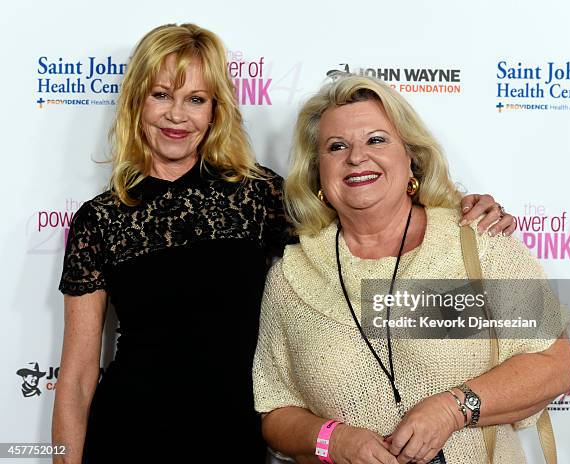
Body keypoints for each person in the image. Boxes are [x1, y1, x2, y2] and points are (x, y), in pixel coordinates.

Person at [51, 23, 516, 463]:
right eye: (161, 95)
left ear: (216, 111)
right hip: (127, 434)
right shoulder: (100, 220)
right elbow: (75, 378)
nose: (177, 114)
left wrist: (460, 208)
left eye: (196, 98)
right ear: (137, 101)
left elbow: (368, 210)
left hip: (233, 435)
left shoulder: (257, 195)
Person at [252, 75, 570, 464]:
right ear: (317, 173)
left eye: (376, 140)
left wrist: (451, 409)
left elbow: (553, 365)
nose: (356, 157)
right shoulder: (291, 276)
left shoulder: (477, 242)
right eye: (337, 147)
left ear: (411, 158)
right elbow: (275, 409)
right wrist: (332, 440)